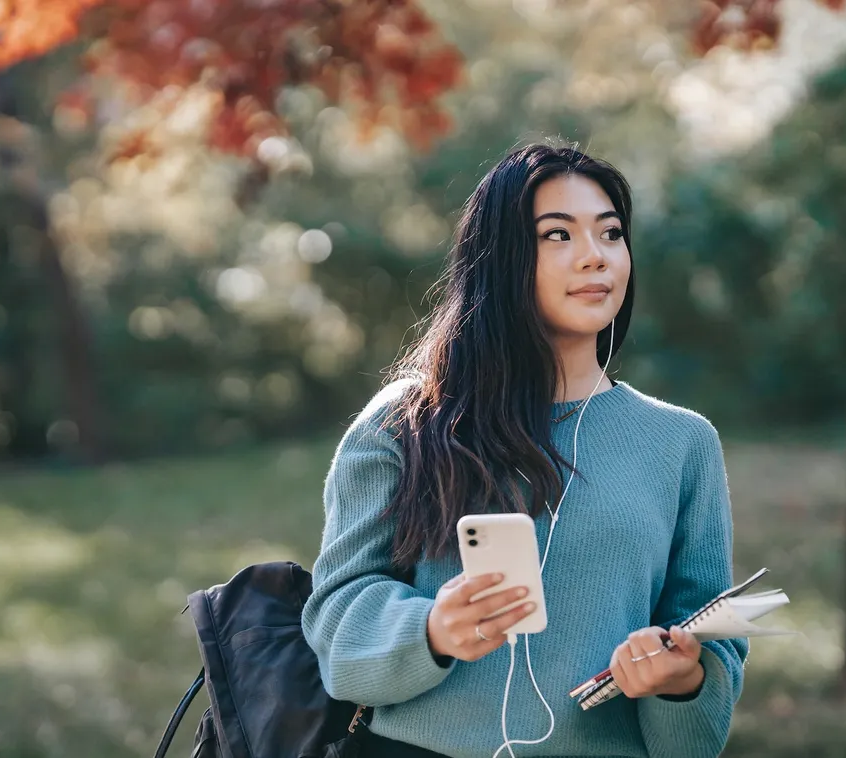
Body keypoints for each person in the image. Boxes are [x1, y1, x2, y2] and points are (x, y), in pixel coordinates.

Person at [300, 142, 748, 758]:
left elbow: (708, 674)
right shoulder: (407, 421)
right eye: (557, 236)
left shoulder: (682, 443)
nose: (595, 257)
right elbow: (336, 622)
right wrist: (431, 628)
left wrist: (682, 680)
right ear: (501, 259)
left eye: (611, 233)